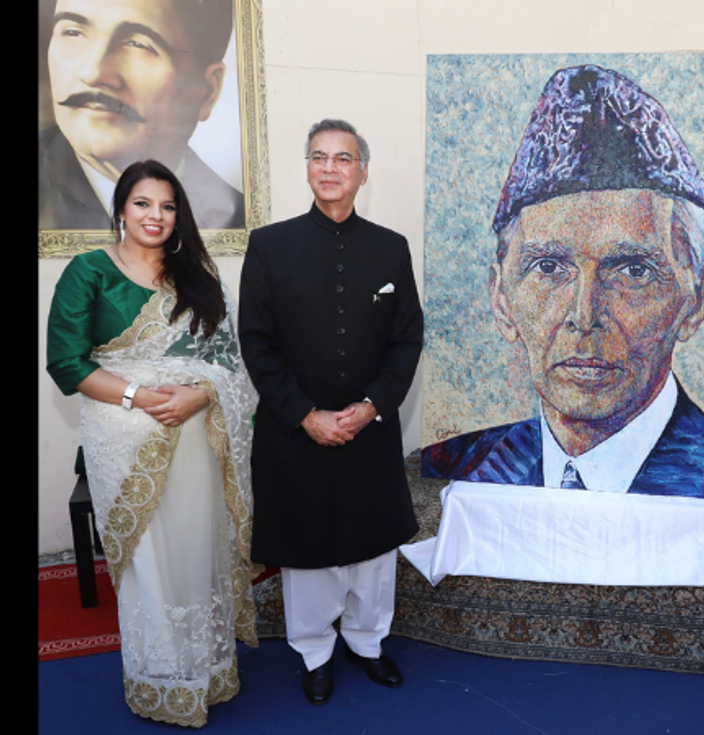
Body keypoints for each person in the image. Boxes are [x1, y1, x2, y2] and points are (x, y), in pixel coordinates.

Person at [422, 64, 704, 500]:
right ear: (501, 298)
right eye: (547, 268)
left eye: (634, 271)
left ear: (698, 301)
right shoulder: (452, 469)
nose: (584, 317)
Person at [46, 159, 260, 727]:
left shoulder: (198, 277)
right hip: (127, 434)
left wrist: (201, 396)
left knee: (196, 550)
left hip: (198, 440)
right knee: (152, 560)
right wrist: (141, 396)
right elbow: (65, 364)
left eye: (167, 206)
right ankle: (162, 679)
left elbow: (230, 366)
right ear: (120, 209)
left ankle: (209, 672)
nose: (155, 216)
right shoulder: (89, 271)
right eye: (143, 203)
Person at [238, 119, 424, 706]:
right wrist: (305, 414)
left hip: (368, 428)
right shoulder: (270, 246)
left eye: (343, 158)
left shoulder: (391, 248)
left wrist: (371, 406)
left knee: (373, 548)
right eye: (319, 156)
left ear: (362, 172)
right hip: (297, 430)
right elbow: (256, 343)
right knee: (308, 550)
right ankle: (315, 652)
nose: (329, 168)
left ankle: (368, 643)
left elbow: (407, 340)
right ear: (308, 167)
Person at [39, 0, 245, 231]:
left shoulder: (237, 217)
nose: (93, 72)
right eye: (73, 32)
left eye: (138, 44)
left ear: (207, 91)